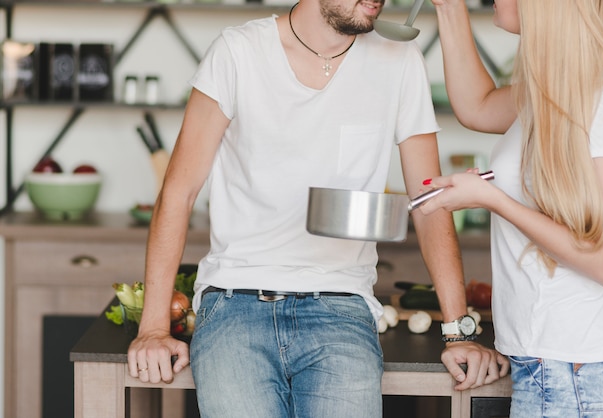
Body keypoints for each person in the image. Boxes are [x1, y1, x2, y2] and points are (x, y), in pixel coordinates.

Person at [126, 0, 508, 416]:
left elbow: (429, 202)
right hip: (235, 300)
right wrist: (153, 328)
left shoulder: (399, 59)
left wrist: (458, 332)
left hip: (340, 304)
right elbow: (177, 193)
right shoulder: (238, 51)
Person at [424, 0, 603, 416]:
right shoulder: (555, 91)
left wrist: (492, 199)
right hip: (549, 365)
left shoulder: (601, 99)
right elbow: (476, 105)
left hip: (571, 374)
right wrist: (449, 8)